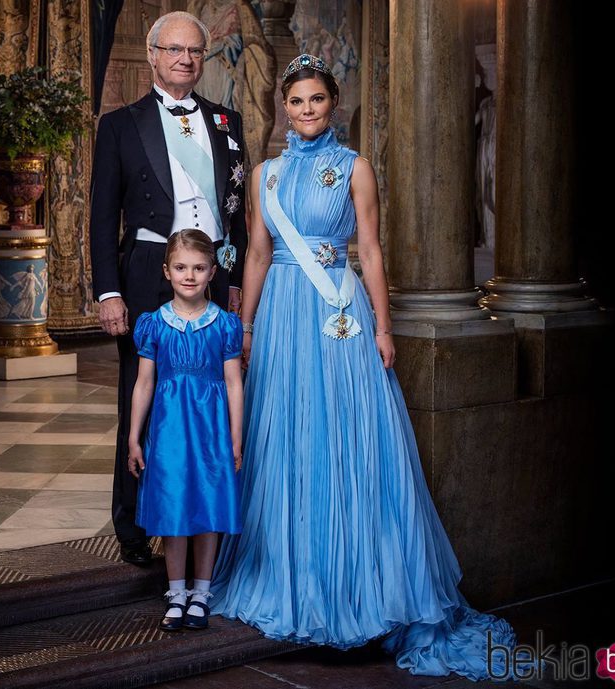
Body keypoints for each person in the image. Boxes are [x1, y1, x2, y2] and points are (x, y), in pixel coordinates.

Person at [210, 54, 523, 681]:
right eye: (296, 102)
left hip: (337, 317)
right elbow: (257, 258)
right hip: (281, 320)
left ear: (333, 104)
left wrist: (382, 327)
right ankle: (293, 581)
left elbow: (372, 252)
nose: (306, 111)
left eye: (317, 101)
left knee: (346, 443)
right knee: (289, 445)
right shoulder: (266, 175)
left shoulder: (355, 168)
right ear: (283, 108)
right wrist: (244, 327)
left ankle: (357, 587)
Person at [89, 11, 248, 566]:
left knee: (207, 396)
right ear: (153, 54)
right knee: (143, 392)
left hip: (213, 272)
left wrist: (232, 281)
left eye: (195, 51)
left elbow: (236, 214)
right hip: (147, 275)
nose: (186, 59)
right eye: (175, 49)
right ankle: (134, 525)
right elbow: (102, 214)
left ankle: (202, 515)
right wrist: (108, 290)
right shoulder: (119, 124)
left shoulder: (227, 121)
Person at [128, 230, 244, 631]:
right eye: (180, 267)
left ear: (213, 272)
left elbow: (233, 383)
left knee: (208, 509)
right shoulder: (153, 325)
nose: (189, 276)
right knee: (173, 507)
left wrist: (236, 435)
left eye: (198, 268)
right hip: (169, 431)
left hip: (211, 431)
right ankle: (176, 593)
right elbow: (143, 383)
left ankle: (202, 592)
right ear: (166, 271)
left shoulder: (225, 325)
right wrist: (133, 437)